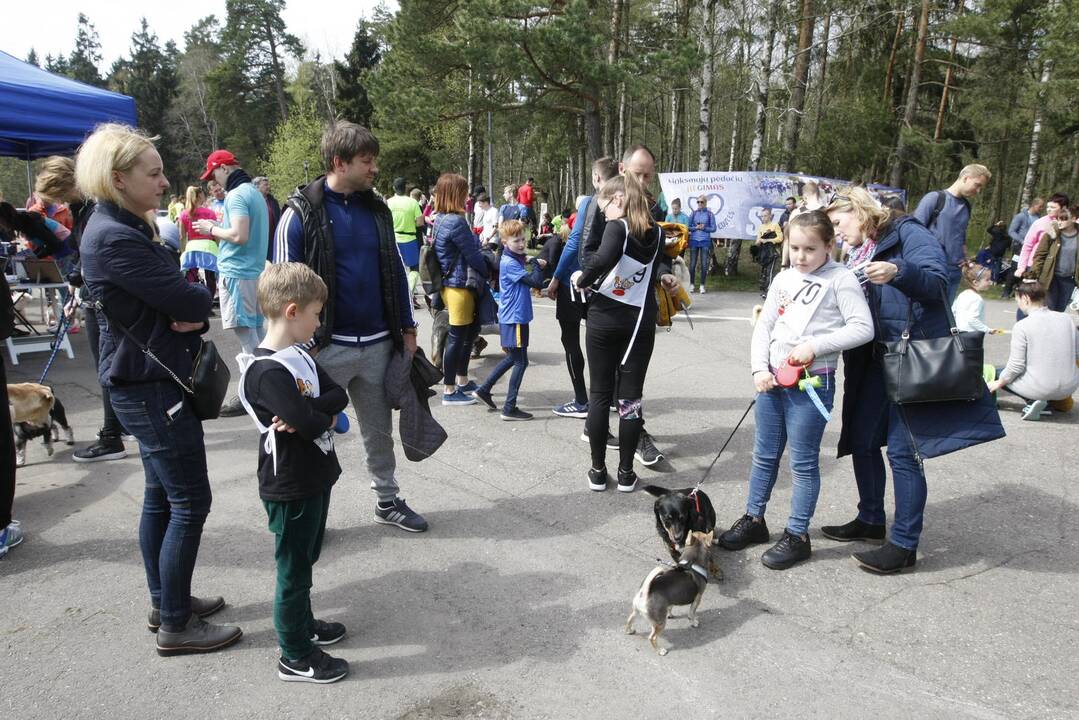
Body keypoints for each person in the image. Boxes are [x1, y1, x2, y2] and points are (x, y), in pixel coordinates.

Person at [77, 123, 240, 654]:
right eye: (155, 173)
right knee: (189, 500)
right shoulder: (116, 236)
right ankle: (175, 622)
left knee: (161, 497)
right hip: (151, 386)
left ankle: (166, 600)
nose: (166, 182)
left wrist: (184, 304)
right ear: (118, 178)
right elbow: (191, 301)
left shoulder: (119, 226)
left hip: (146, 381)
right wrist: (186, 305)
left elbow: (183, 301)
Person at [822, 188, 1004, 574]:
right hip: (872, 359)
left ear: (858, 210)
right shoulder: (860, 248)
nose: (837, 234)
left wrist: (899, 272)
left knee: (904, 453)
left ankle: (904, 544)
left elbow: (940, 282)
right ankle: (871, 519)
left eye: (838, 224)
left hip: (910, 358)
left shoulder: (908, 232)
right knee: (863, 440)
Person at [274, 121, 426, 534]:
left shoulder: (375, 209)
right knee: (307, 433)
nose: (374, 168)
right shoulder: (298, 215)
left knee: (380, 433)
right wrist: (299, 350)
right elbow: (284, 289)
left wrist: (408, 329)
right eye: (367, 161)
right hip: (325, 350)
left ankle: (387, 500)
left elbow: (394, 269)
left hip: (378, 344)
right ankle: (305, 515)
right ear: (339, 162)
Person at [718, 211, 873, 569]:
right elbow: (765, 326)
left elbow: (863, 328)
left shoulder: (841, 279)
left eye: (810, 249)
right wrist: (759, 368)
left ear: (829, 246)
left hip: (812, 384)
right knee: (764, 455)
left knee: (802, 463)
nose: (801, 256)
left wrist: (817, 346)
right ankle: (754, 519)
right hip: (771, 380)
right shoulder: (784, 277)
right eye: (795, 247)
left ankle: (797, 534)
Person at [236, 262, 351, 683]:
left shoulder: (298, 355)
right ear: (291, 311)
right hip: (290, 482)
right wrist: (311, 414)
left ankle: (304, 626)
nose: (319, 322)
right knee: (293, 569)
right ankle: (295, 653)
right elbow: (312, 422)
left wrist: (309, 411)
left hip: (314, 474)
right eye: (316, 313)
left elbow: (337, 396)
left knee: (307, 558)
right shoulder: (266, 371)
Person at [572, 173, 679, 493]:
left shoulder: (617, 228)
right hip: (639, 325)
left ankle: (597, 471)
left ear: (618, 200)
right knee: (631, 400)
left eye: (603, 205)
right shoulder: (658, 234)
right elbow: (654, 267)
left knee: (600, 396)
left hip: (605, 320)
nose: (602, 212)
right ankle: (627, 473)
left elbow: (600, 260)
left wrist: (580, 278)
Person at [195, 149, 270, 416]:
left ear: (224, 168)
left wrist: (211, 229)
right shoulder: (253, 192)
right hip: (253, 272)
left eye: (213, 174)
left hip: (238, 273)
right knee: (258, 335)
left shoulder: (237, 195)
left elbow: (239, 235)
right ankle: (268, 389)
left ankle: (254, 394)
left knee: (248, 339)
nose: (213, 181)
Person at [547, 157, 619, 420]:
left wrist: (556, 276)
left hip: (577, 280)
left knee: (571, 340)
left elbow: (575, 241)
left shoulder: (592, 201)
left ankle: (580, 400)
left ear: (597, 178)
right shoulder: (622, 202)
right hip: (605, 282)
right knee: (606, 341)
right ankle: (611, 396)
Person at [472, 220, 545, 420]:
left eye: (523, 239)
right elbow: (536, 282)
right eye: (516, 241)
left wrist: (528, 259)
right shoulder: (510, 262)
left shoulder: (513, 258)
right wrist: (535, 263)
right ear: (505, 242)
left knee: (514, 358)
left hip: (513, 316)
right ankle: (509, 407)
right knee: (521, 361)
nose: (521, 244)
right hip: (515, 318)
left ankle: (484, 389)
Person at [434, 172, 491, 406]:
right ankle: (449, 390)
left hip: (452, 285)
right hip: (459, 286)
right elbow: (473, 255)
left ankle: (463, 380)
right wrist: (488, 270)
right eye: (464, 191)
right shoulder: (456, 221)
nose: (468, 196)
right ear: (454, 193)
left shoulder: (440, 218)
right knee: (457, 338)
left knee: (466, 336)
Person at [987, 281, 1079, 420]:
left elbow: (1016, 367)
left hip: (1041, 387)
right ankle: (1045, 402)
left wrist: (998, 383)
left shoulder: (1022, 326)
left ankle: (1034, 401)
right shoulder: (1067, 319)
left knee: (996, 372)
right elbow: (1076, 354)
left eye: (1017, 299)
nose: (1018, 304)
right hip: (1069, 386)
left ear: (1026, 298)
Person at [912, 163, 992, 303]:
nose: (978, 191)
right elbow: (913, 233)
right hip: (931, 269)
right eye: (977, 185)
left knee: (944, 318)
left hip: (954, 272)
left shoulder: (966, 206)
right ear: (966, 178)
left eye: (981, 187)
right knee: (923, 314)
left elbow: (960, 236)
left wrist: (966, 258)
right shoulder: (934, 199)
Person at [1029, 203, 1079, 312]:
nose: (1060, 221)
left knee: (1060, 310)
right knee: (1049, 309)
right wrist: (1033, 275)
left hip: (1068, 280)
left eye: (1064, 219)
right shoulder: (1051, 233)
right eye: (1058, 218)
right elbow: (1039, 255)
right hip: (1050, 278)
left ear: (1074, 219)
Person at [179, 185, 219, 300]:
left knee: (191, 276)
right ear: (200, 196)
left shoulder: (184, 214)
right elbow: (215, 233)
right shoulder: (209, 213)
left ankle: (195, 300)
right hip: (208, 247)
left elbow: (182, 236)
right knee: (210, 277)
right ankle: (209, 302)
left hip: (192, 247)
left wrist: (183, 251)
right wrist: (219, 248)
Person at [386, 176, 425, 296]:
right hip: (410, 239)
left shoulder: (388, 202)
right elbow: (420, 222)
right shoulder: (413, 202)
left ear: (394, 188)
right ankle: (409, 291)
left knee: (396, 268)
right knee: (414, 269)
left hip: (394, 239)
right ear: (406, 188)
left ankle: (396, 292)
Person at [952, 260, 999, 334]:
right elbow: (972, 319)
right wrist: (988, 330)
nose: (990, 282)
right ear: (975, 282)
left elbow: (953, 311)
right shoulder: (977, 299)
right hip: (972, 335)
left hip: (960, 333)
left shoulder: (962, 294)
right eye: (987, 280)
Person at [687, 196, 716, 294]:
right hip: (694, 240)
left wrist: (704, 228)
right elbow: (688, 227)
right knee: (692, 264)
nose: (699, 204)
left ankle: (702, 285)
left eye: (701, 202)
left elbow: (714, 228)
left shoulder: (710, 214)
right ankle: (691, 284)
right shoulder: (693, 213)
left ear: (705, 203)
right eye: (698, 202)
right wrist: (696, 227)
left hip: (705, 241)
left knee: (704, 265)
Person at [754, 207, 784, 298]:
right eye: (762, 216)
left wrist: (768, 240)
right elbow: (757, 240)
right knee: (765, 272)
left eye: (765, 216)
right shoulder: (761, 227)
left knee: (770, 272)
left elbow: (780, 238)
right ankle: (765, 289)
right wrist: (758, 242)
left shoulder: (775, 225)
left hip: (772, 252)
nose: (763, 218)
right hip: (764, 253)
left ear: (770, 216)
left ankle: (769, 292)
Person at [255, 177, 282, 261]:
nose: (268, 187)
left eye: (268, 184)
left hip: (272, 240)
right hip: (258, 241)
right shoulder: (253, 202)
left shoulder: (273, 202)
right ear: (257, 187)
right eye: (265, 185)